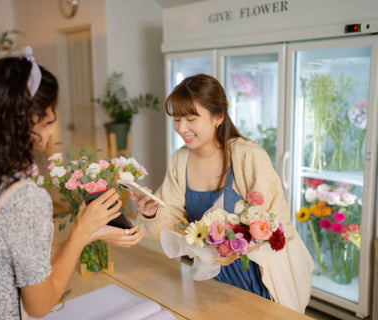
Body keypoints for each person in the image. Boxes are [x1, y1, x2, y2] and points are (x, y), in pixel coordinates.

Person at [0, 51, 144, 319]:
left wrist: (89, 233)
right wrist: (81, 233)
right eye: (51, 109)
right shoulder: (23, 196)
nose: (55, 117)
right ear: (31, 119)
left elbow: (19, 259)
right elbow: (39, 305)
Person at [131, 73, 313, 312]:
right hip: (211, 279)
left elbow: (277, 225)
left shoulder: (248, 156)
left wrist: (238, 251)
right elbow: (172, 218)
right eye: (176, 119)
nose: (181, 128)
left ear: (218, 117)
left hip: (258, 280)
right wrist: (151, 213)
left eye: (191, 119)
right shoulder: (180, 160)